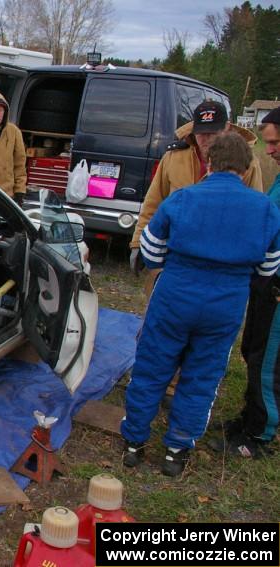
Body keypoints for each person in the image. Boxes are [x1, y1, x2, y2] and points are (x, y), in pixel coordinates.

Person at [120, 132, 280, 476]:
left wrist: (176, 264)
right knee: (203, 376)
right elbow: (269, 267)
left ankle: (134, 442)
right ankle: (176, 450)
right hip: (226, 302)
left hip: (176, 294)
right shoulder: (265, 208)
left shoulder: (182, 199)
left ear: (209, 162)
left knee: (152, 366)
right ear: (247, 166)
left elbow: (150, 251)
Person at [129, 100, 263, 292]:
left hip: (219, 265)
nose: (206, 139)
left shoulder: (247, 163)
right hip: (172, 259)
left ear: (226, 128)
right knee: (161, 313)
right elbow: (153, 203)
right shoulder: (174, 157)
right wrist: (137, 242)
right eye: (201, 133)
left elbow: (253, 215)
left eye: (213, 133)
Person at [213, 107, 280, 458]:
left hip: (276, 286)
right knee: (252, 351)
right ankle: (249, 416)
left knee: (267, 361)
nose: (269, 150)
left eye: (275, 142)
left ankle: (260, 434)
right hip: (265, 284)